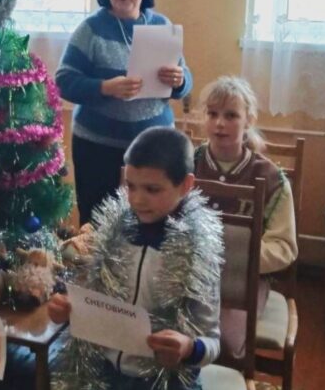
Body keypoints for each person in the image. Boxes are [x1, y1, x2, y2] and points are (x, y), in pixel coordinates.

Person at [48, 127, 222, 390]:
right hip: (101, 373)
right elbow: (94, 301)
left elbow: (212, 341)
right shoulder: (112, 234)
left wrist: (188, 348)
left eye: (152, 189)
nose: (138, 199)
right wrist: (68, 309)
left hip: (162, 382)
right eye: (131, 186)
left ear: (186, 185)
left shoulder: (198, 252)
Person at [56, 0, 193, 225]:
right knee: (97, 224)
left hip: (153, 150)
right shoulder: (90, 29)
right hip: (97, 148)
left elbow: (185, 80)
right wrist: (104, 88)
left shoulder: (161, 26)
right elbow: (64, 81)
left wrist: (180, 80)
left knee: (152, 225)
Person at [194, 76, 298, 274]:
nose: (219, 123)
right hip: (189, 273)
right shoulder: (186, 165)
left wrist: (235, 259)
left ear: (249, 120)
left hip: (244, 277)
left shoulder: (272, 179)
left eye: (231, 116)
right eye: (212, 114)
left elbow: (283, 246)